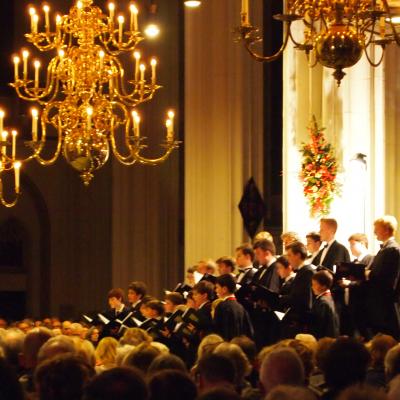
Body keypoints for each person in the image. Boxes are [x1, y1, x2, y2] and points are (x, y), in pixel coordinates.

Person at [368, 215, 400, 339]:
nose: (374, 232)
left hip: (386, 303)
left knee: (389, 338)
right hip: (380, 302)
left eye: (377, 228)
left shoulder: (392, 250)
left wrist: (368, 274)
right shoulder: (386, 249)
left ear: (386, 230)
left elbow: (388, 278)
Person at [279, 241, 315, 338]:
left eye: (289, 255)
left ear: (298, 255)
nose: (288, 259)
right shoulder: (302, 271)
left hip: (301, 322)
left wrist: (280, 298)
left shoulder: (307, 272)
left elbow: (303, 299)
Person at [213, 274, 253, 340]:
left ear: (224, 289)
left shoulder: (221, 306)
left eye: (217, 287)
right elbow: (249, 332)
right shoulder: (241, 307)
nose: (215, 290)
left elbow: (217, 331)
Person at [310, 270, 340, 339]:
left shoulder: (323, 303)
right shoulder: (328, 298)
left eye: (314, 284)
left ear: (323, 286)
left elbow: (319, 325)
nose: (312, 287)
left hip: (323, 339)